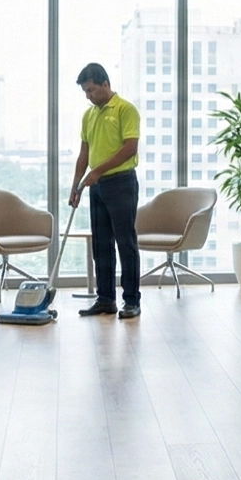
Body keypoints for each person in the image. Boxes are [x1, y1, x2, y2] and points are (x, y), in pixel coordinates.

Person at [69, 63, 142, 320]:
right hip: (95, 186)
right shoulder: (89, 116)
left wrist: (98, 171)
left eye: (91, 90)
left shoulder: (125, 110)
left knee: (125, 243)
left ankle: (131, 301)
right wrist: (76, 185)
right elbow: (84, 154)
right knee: (101, 245)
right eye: (85, 92)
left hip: (121, 183)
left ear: (105, 85)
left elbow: (130, 148)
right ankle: (106, 299)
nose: (88, 96)